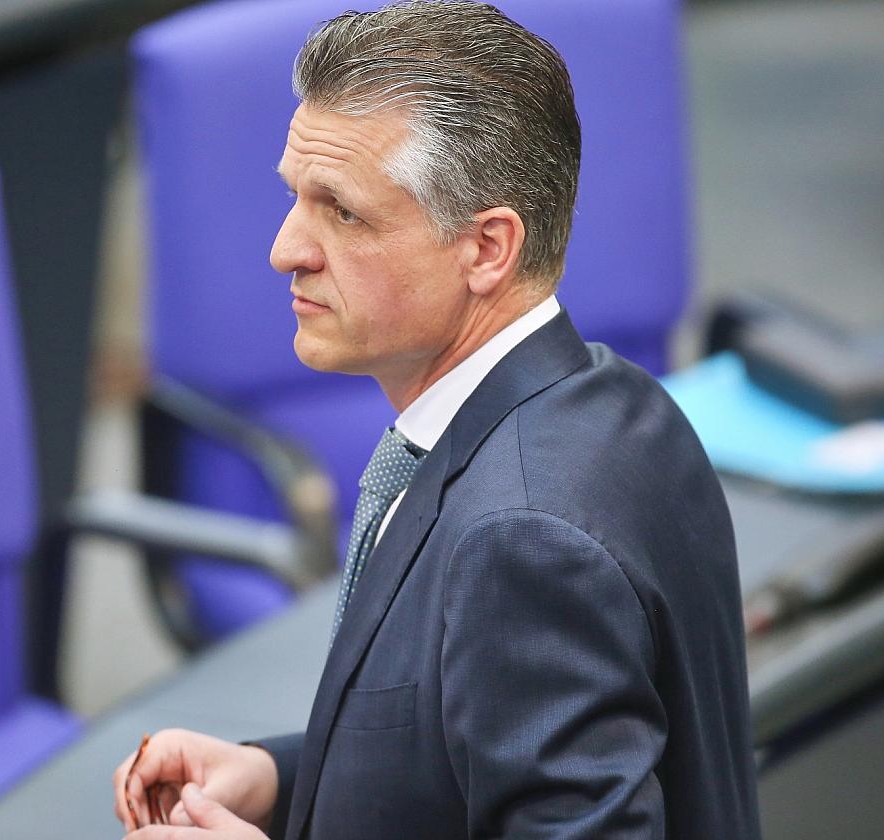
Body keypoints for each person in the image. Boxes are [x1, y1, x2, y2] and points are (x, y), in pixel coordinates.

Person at [114, 1, 760, 837]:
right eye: (295, 198)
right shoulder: (623, 404)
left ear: (487, 248)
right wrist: (279, 778)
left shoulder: (523, 542)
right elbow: (463, 749)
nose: (285, 250)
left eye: (342, 212)